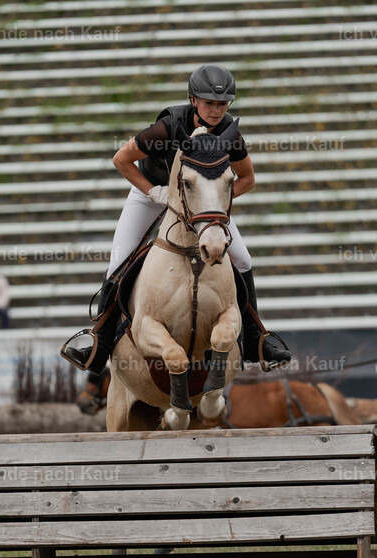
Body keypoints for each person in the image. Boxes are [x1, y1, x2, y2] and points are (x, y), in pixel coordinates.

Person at [61, 64, 291, 400]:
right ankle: (99, 340)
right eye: (209, 103)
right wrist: (156, 192)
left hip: (201, 205)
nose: (217, 110)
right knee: (119, 260)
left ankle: (258, 338)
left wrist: (214, 202)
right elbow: (121, 159)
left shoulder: (229, 133)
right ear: (192, 100)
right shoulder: (167, 127)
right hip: (151, 195)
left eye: (223, 104)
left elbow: (247, 180)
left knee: (242, 258)